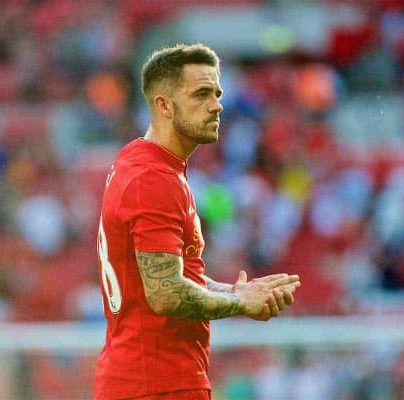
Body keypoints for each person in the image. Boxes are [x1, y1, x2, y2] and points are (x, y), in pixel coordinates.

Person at [93, 43, 301, 400]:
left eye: (217, 93)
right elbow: (166, 293)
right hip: (158, 382)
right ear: (163, 104)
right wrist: (240, 305)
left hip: (138, 378)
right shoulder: (154, 179)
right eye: (202, 94)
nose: (217, 105)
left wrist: (234, 291)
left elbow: (165, 277)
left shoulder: (140, 162)